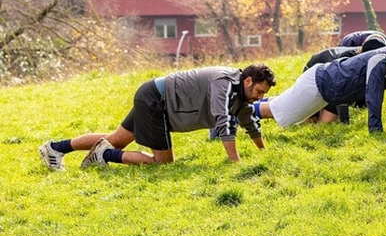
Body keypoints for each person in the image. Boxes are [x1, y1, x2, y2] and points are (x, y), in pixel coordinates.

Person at [39, 64, 276, 169]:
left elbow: (247, 121)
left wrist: (262, 151)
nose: (259, 97)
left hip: (153, 95)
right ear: (248, 81)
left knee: (118, 139)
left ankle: (55, 148)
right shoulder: (224, 82)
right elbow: (222, 119)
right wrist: (235, 161)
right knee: (163, 162)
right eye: (258, 91)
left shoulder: (242, 94)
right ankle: (104, 155)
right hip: (157, 102)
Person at [258, 47, 386, 134]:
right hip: (318, 84)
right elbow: (373, 94)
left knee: (281, 107)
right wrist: (376, 130)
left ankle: (243, 105)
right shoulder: (382, 60)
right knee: (278, 113)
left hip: (325, 91)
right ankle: (238, 110)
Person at [302, 44, 386, 126]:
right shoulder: (355, 63)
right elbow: (342, 90)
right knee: (321, 119)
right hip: (320, 70)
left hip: (335, 78)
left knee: (328, 120)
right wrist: (345, 121)